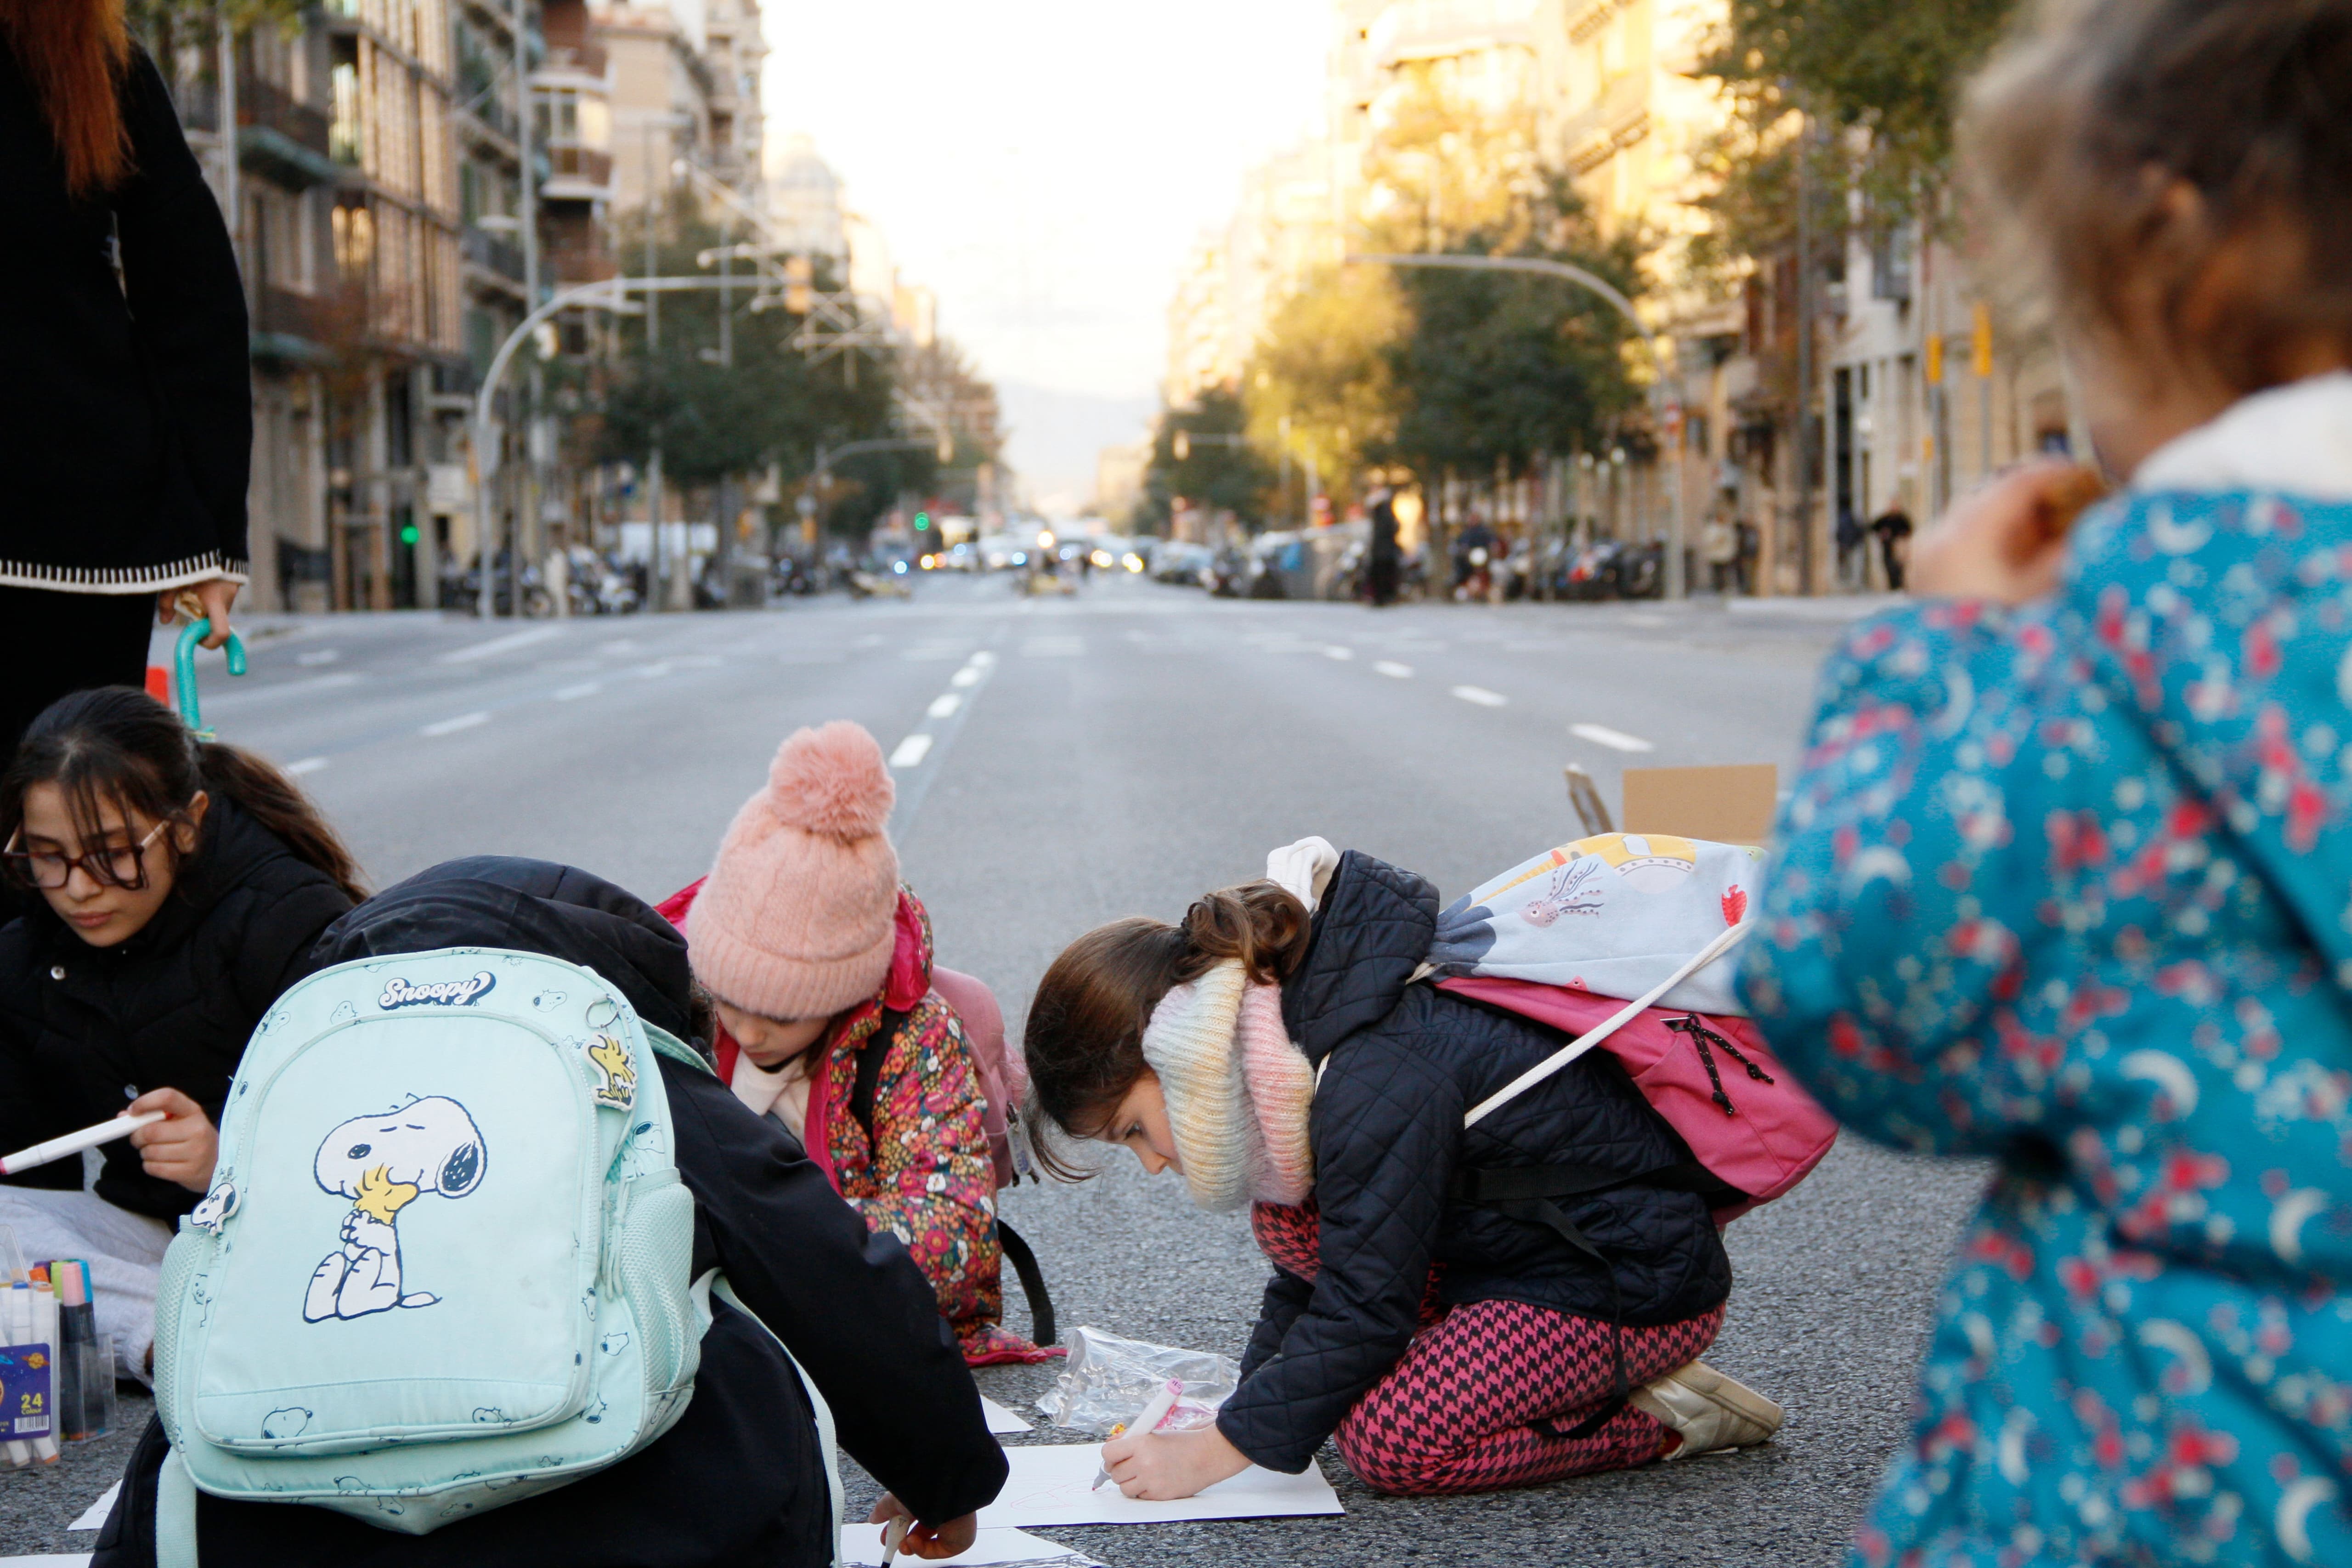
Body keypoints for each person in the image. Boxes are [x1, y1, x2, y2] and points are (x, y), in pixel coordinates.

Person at [1739, 2, 2352, 1563]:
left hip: (2173, 1476)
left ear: (2175, 257)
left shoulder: (2118, 651)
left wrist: (1946, 653)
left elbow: (1865, 1007)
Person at [90, 855, 1007, 1566]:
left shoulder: (307, 1082)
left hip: (285, 1531)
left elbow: (219, 1308)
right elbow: (822, 1261)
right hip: (635, 1520)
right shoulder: (616, 1065)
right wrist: (946, 1473)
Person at [1022, 848, 1779, 1501]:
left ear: (1175, 1051)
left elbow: (1364, 1307)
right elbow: (1315, 1273)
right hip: (1520, 1256)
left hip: (1630, 1281)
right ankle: (1525, 1373)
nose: (1153, 1160)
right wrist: (1246, 1406)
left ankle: (1660, 1422)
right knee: (1287, 1213)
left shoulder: (1367, 1076)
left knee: (1393, 1440)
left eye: (1133, 1129)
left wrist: (1213, 1452)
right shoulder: (1299, 1041)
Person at [659, 721, 1052, 1366]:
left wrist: (765, 1236)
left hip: (855, 1331)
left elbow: (953, 1233)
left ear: (843, 995)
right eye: (732, 1000)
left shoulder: (912, 1040)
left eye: (783, 1015)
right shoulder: (674, 1008)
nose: (751, 1031)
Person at [0, 688, 361, 1379]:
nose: (78, 888)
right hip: (154, 1249)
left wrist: (226, 1158)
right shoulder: (23, 959)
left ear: (187, 824)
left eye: (111, 854)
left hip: (295, 1233)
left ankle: (187, 1337)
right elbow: (31, 1187)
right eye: (47, 857)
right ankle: (186, 1338)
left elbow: (377, 1129)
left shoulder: (284, 916)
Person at [0, 1, 248, 763]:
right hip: (80, 535)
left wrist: (211, 539)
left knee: (55, 847)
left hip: (77, 551)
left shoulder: (89, 57)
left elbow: (192, 295)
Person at [1866, 501, 1914, 590]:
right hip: (1887, 547)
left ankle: (1900, 586)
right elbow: (1873, 527)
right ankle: (1893, 587)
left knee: (1899, 567)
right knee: (1889, 566)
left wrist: (1902, 537)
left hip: (1899, 546)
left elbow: (1909, 530)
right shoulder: (1885, 519)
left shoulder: (1902, 519)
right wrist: (1881, 534)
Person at [1366, 487, 1402, 606]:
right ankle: (1385, 597)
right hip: (1386, 551)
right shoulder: (1388, 512)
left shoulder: (1382, 512)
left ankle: (1380, 598)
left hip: (1381, 552)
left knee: (1380, 575)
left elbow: (1383, 531)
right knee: (1385, 575)